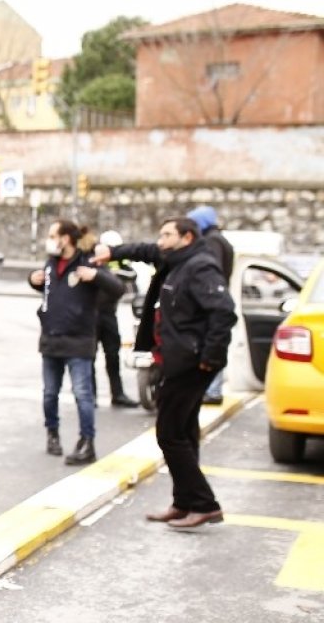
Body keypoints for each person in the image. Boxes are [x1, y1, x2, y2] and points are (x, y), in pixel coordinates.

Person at [94, 217, 236, 528]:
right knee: (184, 433)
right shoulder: (175, 260)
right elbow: (144, 250)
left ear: (186, 237)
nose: (160, 240)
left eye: (167, 235)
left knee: (169, 434)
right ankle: (184, 502)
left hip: (191, 362)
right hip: (177, 359)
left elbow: (224, 312)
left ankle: (204, 504)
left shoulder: (200, 267)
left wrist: (209, 358)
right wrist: (113, 252)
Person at [27, 220, 124, 465]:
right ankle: (52, 434)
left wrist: (96, 276)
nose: (49, 239)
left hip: (79, 341)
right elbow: (54, 293)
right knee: (50, 394)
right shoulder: (50, 263)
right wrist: (33, 280)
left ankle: (87, 442)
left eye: (52, 235)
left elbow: (118, 288)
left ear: (66, 238)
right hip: (50, 339)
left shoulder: (87, 262)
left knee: (83, 394)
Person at [187, 205, 235, 405]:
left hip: (211, 300)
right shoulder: (220, 239)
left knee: (212, 342)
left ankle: (213, 390)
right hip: (216, 297)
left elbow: (209, 271)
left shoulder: (212, 242)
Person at [94, 230, 138, 408]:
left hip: (109, 312)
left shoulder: (119, 260)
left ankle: (117, 393)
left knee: (113, 354)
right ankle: (89, 395)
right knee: (88, 356)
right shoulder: (93, 259)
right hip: (92, 313)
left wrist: (115, 274)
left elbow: (131, 274)